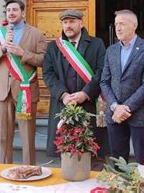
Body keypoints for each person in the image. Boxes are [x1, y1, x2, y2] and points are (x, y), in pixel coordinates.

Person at [0, 0, 47, 165]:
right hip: (2, 92)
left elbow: (43, 60)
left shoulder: (36, 34)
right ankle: (5, 168)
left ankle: (29, 169)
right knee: (4, 136)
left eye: (15, 10)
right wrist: (2, 49)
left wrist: (23, 53)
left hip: (25, 90)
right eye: (8, 10)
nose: (11, 13)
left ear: (23, 13)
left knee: (27, 137)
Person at [42, 9, 108, 167]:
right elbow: (48, 73)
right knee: (64, 148)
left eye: (72, 22)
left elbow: (102, 71)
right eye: (65, 22)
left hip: (89, 105)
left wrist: (86, 93)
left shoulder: (96, 44)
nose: (68, 26)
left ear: (81, 23)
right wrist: (63, 95)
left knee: (92, 151)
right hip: (63, 104)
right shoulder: (53, 47)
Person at [100, 9, 144, 165]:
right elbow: (104, 81)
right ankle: (120, 187)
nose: (118, 28)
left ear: (134, 25)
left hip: (140, 114)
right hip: (114, 115)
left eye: (122, 24)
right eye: (116, 24)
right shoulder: (111, 50)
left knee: (143, 159)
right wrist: (114, 106)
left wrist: (125, 108)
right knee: (118, 159)